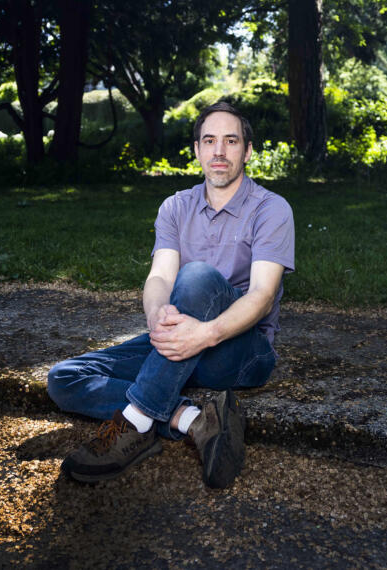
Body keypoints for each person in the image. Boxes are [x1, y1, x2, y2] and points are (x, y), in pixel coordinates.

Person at [47, 102, 295, 488]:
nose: (219, 151)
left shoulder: (272, 209)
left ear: (247, 151)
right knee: (65, 377)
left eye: (231, 141)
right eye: (209, 141)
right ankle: (192, 420)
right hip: (178, 344)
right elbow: (160, 277)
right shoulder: (175, 207)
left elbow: (262, 295)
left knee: (196, 276)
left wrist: (206, 334)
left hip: (240, 351)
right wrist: (157, 319)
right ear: (196, 150)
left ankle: (136, 425)